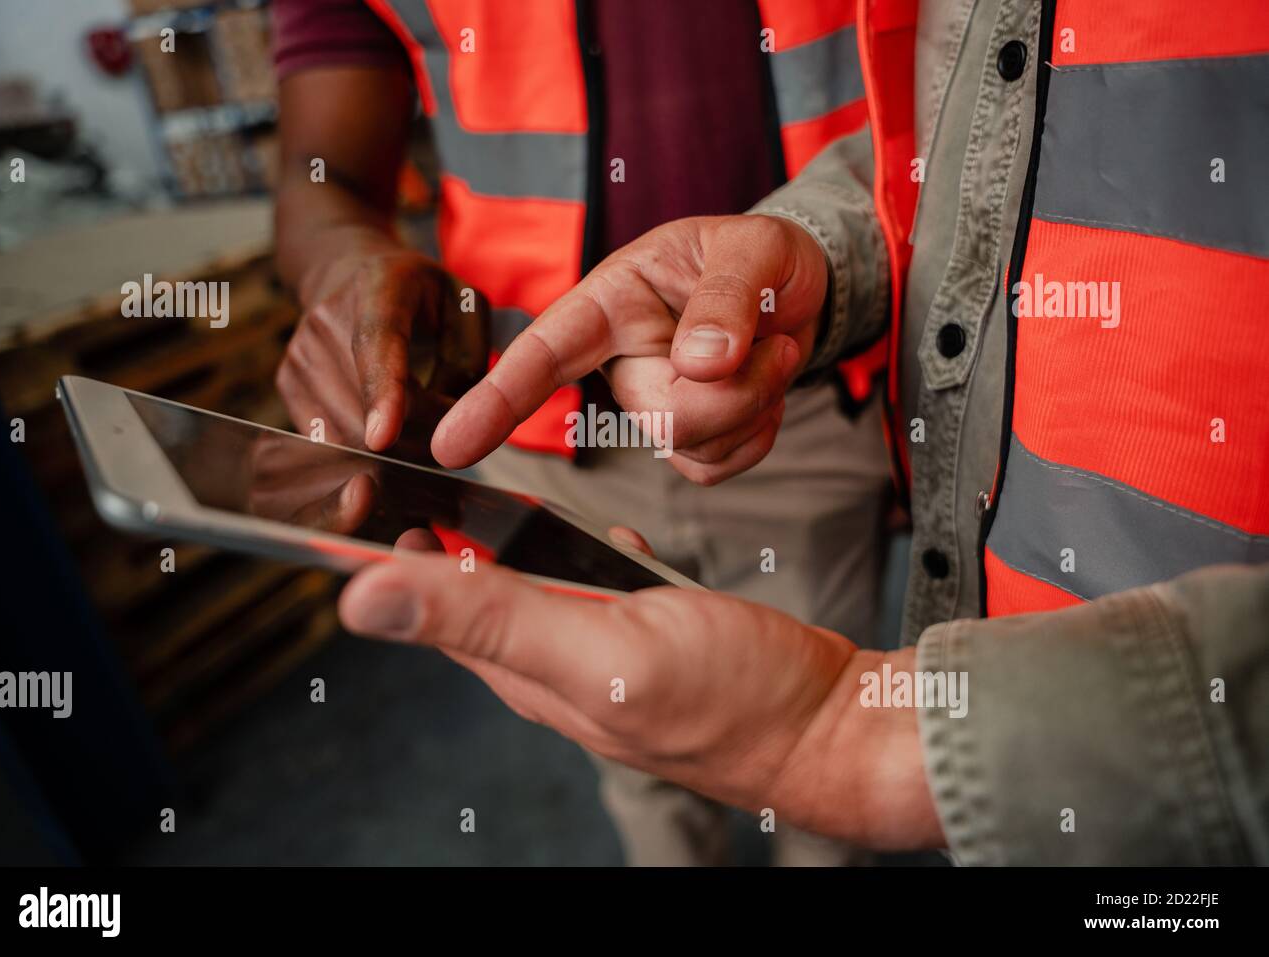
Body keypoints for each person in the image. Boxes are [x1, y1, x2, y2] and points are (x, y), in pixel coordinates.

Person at [338, 0, 1269, 864]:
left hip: (815, 419)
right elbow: (978, 131)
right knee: (637, 752)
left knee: (815, 803)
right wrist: (817, 244)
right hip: (556, 420)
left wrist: (856, 741)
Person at [272, 0, 891, 865]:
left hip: (805, 393)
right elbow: (319, 176)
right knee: (631, 751)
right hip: (537, 432)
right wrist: (345, 268)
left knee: (831, 760)